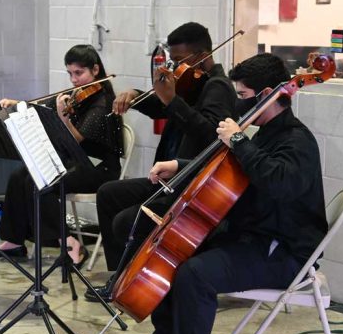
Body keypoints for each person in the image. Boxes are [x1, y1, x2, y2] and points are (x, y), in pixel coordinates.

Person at [121, 53, 328, 334]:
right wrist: (180, 164)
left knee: (195, 274)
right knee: (178, 252)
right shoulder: (264, 133)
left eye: (243, 97)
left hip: (284, 253)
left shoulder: (296, 141)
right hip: (252, 236)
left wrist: (238, 140)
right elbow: (232, 169)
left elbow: (277, 181)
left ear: (266, 96)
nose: (238, 105)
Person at [86, 22, 236, 300]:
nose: (175, 67)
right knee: (108, 193)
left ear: (201, 55)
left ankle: (133, 279)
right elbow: (159, 107)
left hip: (190, 184)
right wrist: (134, 94)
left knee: (127, 220)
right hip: (169, 178)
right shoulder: (192, 82)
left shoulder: (218, 87)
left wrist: (172, 101)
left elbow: (210, 136)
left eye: (179, 61)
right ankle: (118, 274)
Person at [0, 44, 122, 265]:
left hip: (98, 169)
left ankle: (69, 242)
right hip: (74, 164)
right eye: (70, 74)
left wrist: (63, 117)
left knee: (40, 181)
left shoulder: (102, 103)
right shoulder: (77, 95)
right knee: (19, 175)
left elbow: (75, 139)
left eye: (79, 73)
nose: (74, 80)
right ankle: (14, 240)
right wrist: (18, 104)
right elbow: (40, 106)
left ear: (95, 70)